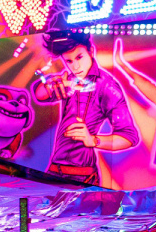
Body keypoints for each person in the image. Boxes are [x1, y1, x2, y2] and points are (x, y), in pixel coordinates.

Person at [30, 31, 141, 184]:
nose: (75, 66)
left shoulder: (107, 86)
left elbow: (129, 137)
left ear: (91, 52)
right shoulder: (69, 79)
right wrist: (50, 84)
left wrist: (93, 140)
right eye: (68, 61)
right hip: (55, 170)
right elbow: (40, 95)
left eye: (79, 57)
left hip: (82, 176)